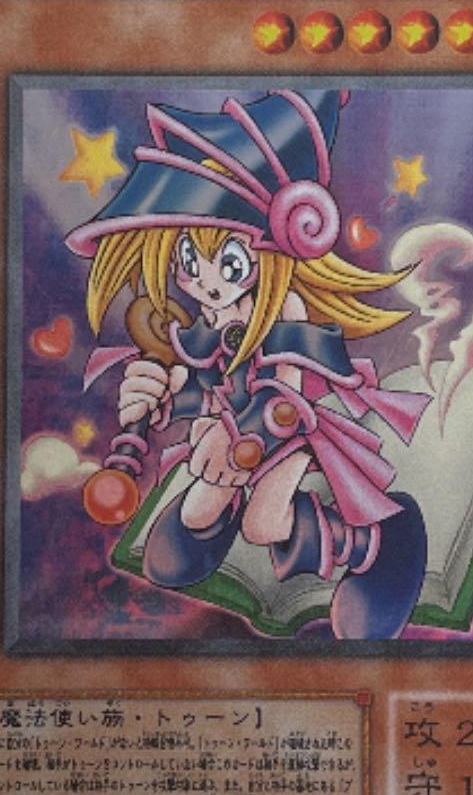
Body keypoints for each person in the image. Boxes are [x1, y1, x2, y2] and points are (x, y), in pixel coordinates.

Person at [66, 89, 429, 638]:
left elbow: (287, 402)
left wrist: (236, 439)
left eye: (229, 263)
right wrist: (160, 393)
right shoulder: (211, 317)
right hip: (231, 433)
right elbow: (202, 374)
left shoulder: (286, 310)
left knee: (264, 526)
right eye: (190, 260)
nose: (206, 281)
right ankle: (215, 527)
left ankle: (378, 543)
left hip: (285, 434)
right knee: (194, 518)